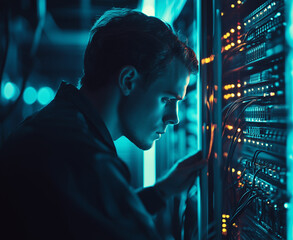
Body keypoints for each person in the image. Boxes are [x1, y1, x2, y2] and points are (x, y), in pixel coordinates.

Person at [0, 8, 205, 239]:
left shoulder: (61, 127)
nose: (174, 117)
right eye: (166, 99)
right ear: (128, 80)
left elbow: (92, 220)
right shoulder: (84, 158)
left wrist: (161, 191)